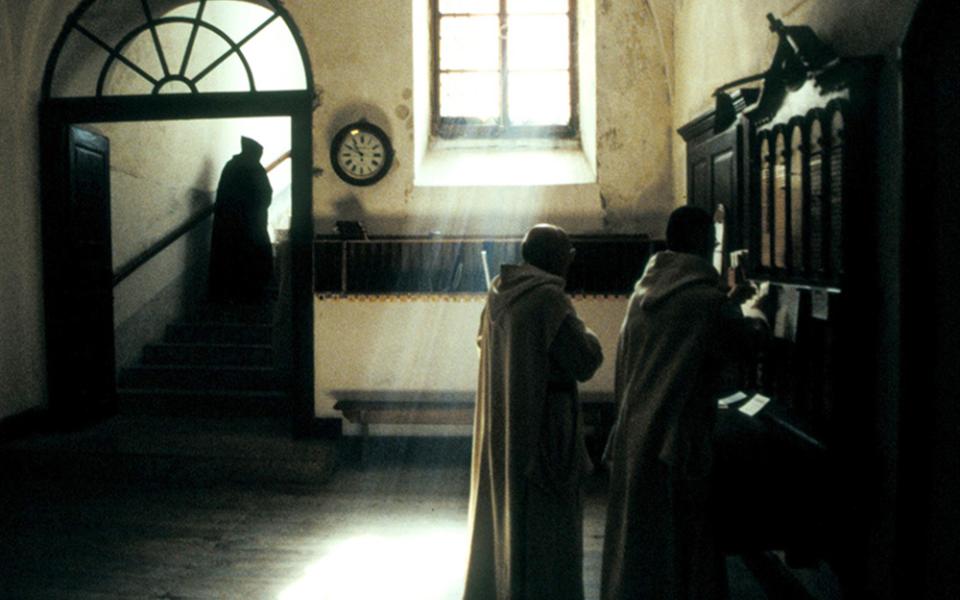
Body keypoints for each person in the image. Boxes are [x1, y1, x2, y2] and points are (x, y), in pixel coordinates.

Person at [600, 206, 762, 600]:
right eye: (711, 241)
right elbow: (748, 345)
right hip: (677, 444)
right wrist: (752, 311)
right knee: (683, 549)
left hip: (636, 433)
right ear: (702, 243)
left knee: (641, 544)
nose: (714, 247)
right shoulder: (705, 301)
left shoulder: (645, 294)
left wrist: (725, 300)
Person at [464, 224, 604, 600]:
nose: (572, 257)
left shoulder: (498, 292)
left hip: (506, 418)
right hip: (545, 424)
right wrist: (589, 333)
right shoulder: (548, 299)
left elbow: (483, 344)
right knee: (547, 527)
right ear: (554, 256)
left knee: (509, 515)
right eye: (568, 250)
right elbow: (585, 361)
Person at [208, 136, 273, 302]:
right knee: (255, 258)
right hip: (252, 225)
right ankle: (253, 295)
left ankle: (230, 296)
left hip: (230, 227)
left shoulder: (231, 166)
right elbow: (265, 195)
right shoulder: (254, 168)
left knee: (232, 259)